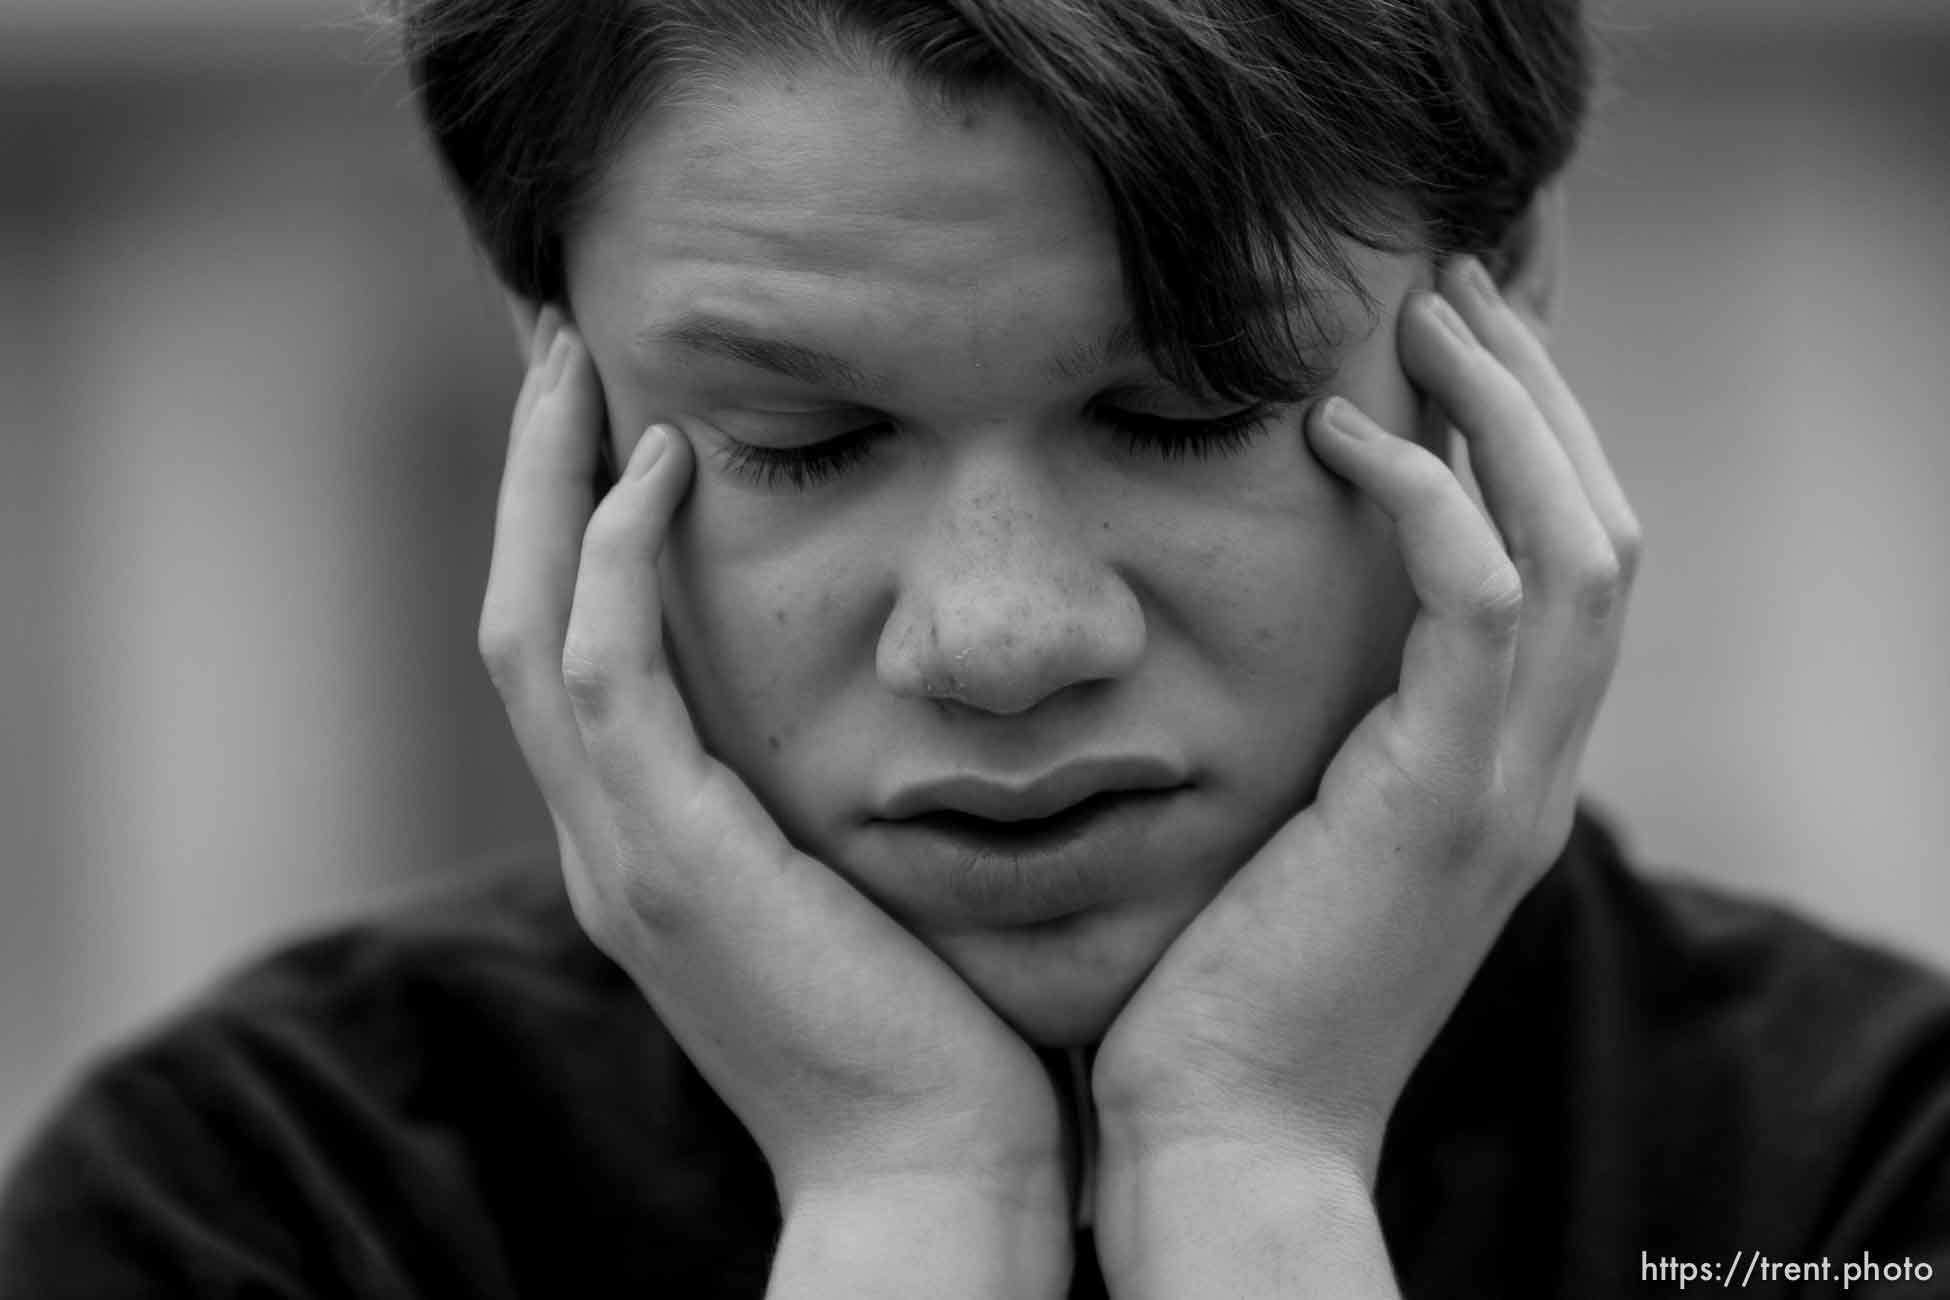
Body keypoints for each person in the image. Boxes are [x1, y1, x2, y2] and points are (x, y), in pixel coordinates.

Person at [4, 1, 1948, 1296]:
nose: (999, 637)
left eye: (1186, 409)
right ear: (564, 399)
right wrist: (907, 1201)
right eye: (804, 441)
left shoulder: (1870, 1175)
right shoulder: (263, 1202)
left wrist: (1251, 1175)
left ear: (1498, 324)